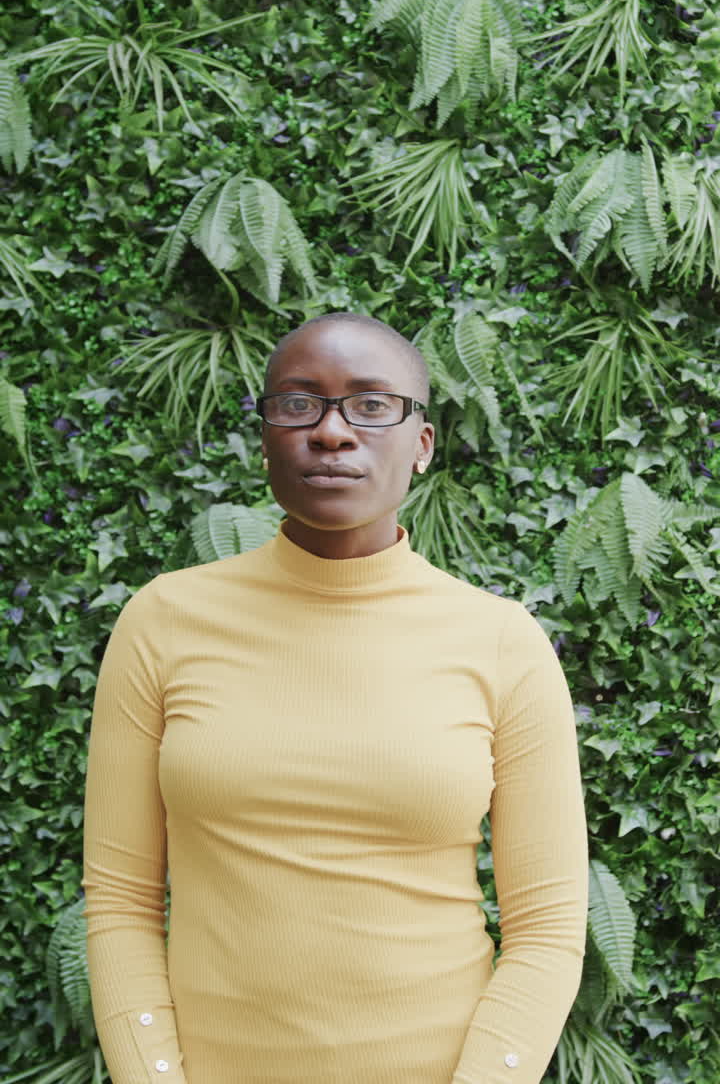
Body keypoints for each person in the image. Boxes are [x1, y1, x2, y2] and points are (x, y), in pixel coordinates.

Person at [82, 311, 588, 1084]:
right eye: (298, 402)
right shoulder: (164, 621)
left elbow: (548, 928)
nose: (332, 431)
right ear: (264, 438)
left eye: (372, 404)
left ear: (421, 446)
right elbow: (118, 901)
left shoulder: (501, 643)